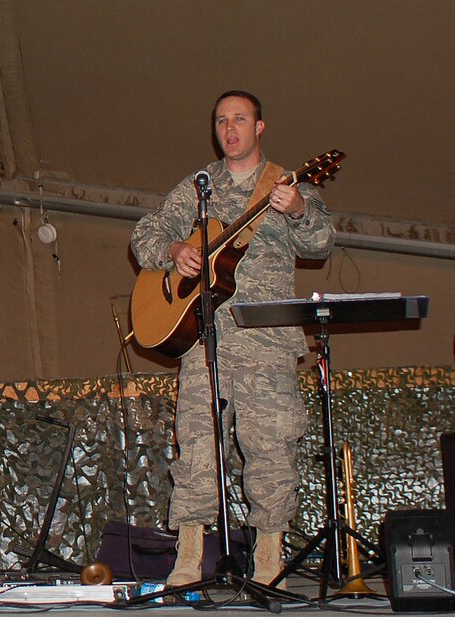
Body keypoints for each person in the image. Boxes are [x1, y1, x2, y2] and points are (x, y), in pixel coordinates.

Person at [130, 91, 335, 586]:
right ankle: (189, 557)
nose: (230, 128)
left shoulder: (286, 184)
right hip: (204, 338)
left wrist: (300, 207)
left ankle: (268, 557)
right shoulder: (199, 185)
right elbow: (145, 235)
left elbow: (321, 243)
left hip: (265, 340)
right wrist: (177, 249)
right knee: (198, 446)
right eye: (222, 120)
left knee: (271, 445)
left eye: (240, 119)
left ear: (259, 127)